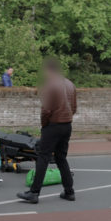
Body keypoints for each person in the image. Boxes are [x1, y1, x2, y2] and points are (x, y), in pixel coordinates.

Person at [17, 57, 77, 204]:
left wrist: (44, 125)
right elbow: (74, 107)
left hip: (53, 125)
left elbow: (46, 110)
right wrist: (67, 118)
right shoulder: (70, 84)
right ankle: (69, 191)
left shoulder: (49, 85)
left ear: (48, 70)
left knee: (43, 157)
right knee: (61, 158)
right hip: (67, 124)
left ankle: (34, 192)